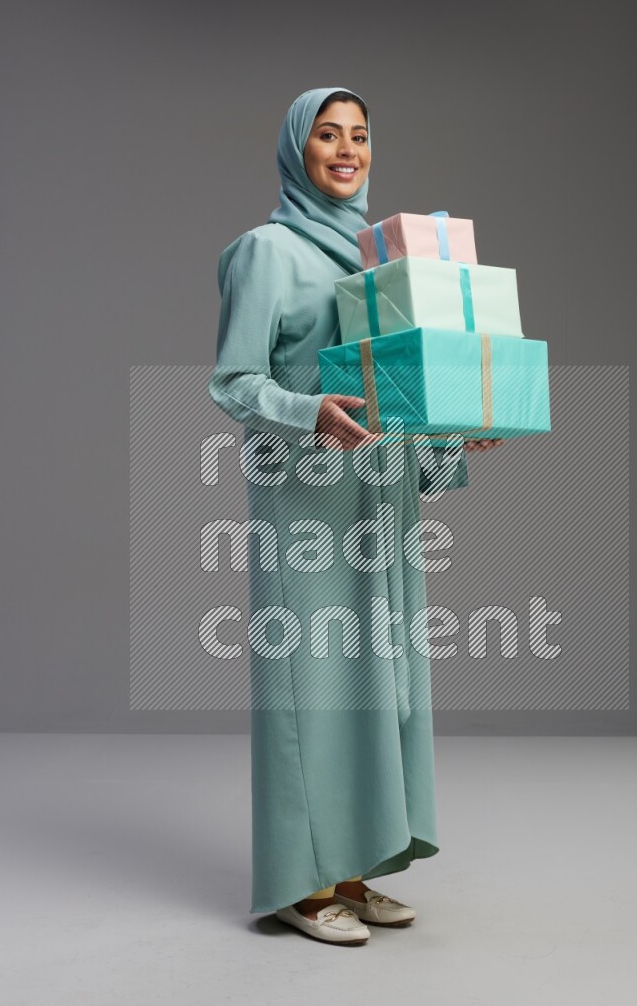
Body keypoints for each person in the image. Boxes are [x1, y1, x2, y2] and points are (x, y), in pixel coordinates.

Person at [209, 86, 503, 946]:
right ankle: (300, 883)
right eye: (328, 135)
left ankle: (354, 865)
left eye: (361, 136)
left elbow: (398, 384)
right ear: (297, 149)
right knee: (313, 689)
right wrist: (311, 415)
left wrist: (453, 436)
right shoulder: (265, 251)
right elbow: (234, 382)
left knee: (382, 684)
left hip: (382, 492)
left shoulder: (387, 257)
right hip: (305, 494)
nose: (347, 150)